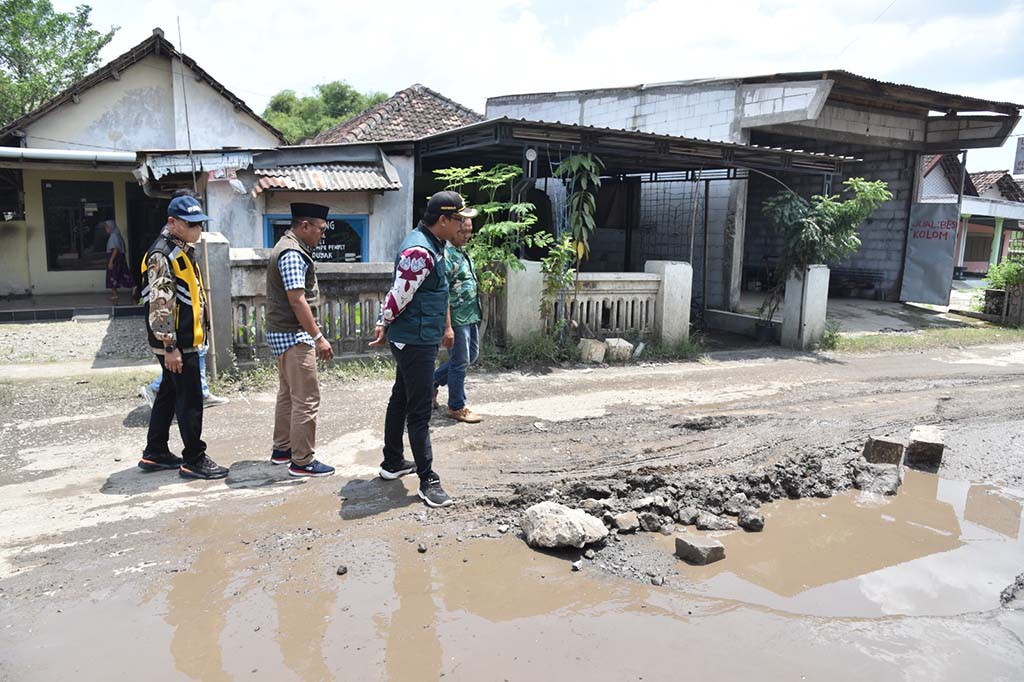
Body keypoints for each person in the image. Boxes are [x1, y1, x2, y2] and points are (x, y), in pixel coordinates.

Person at [370, 191, 475, 508]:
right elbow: (400, 293)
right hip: (413, 339)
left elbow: (437, 291)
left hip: (420, 334)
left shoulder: (434, 244)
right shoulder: (420, 250)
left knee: (401, 396)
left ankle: (392, 463)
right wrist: (383, 322)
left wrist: (446, 326)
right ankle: (428, 480)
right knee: (418, 411)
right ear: (443, 220)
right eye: (459, 220)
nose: (463, 226)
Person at [137, 195, 228, 479]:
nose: (197, 230)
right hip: (177, 342)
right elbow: (160, 305)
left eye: (200, 224)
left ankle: (155, 452)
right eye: (191, 224)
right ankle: (194, 459)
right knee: (189, 400)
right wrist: (171, 347)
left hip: (184, 338)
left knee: (169, 392)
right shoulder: (162, 254)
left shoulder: (181, 248)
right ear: (172, 223)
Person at [265, 203, 336, 478]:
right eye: (320, 229)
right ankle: (302, 461)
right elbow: (297, 299)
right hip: (294, 335)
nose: (322, 235)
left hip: (282, 333)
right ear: (304, 226)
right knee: (306, 398)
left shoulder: (287, 247)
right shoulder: (292, 253)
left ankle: (282, 450)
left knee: (288, 395)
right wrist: (318, 337)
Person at [433, 218, 483, 423]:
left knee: (469, 356)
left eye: (470, 232)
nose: (467, 236)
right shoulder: (447, 255)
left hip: (471, 313)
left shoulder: (461, 252)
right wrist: (448, 327)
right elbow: (443, 293)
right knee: (460, 361)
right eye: (463, 232)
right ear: (453, 230)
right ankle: (456, 406)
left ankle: (431, 381)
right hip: (457, 316)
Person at [103, 220, 136, 304]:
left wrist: (111, 261)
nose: (106, 229)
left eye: (107, 227)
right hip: (119, 259)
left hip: (115, 259)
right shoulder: (117, 235)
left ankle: (115, 294)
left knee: (112, 275)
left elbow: (115, 249)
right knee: (123, 273)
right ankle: (132, 286)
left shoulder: (114, 236)